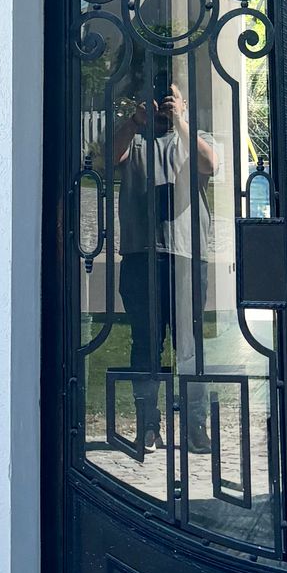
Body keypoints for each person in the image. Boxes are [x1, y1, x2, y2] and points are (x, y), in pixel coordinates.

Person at [114, 82, 221, 459]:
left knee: (189, 345)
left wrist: (181, 123)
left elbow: (211, 164)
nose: (163, 106)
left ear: (184, 103)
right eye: (160, 101)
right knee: (145, 342)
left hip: (187, 256)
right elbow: (108, 155)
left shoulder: (194, 137)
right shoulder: (137, 140)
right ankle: (148, 424)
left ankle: (195, 426)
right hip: (141, 257)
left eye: (171, 99)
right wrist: (134, 121)